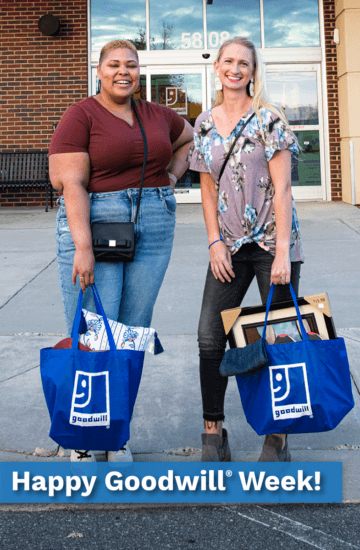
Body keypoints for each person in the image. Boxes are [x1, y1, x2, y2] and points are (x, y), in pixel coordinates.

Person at [49, 39, 193, 463]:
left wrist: (171, 176)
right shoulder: (81, 115)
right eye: (113, 64)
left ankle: (116, 432)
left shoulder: (157, 114)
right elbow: (71, 183)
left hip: (153, 222)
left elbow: (189, 138)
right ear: (99, 70)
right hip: (96, 223)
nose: (122, 71)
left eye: (130, 64)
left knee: (131, 334)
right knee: (96, 331)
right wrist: (82, 247)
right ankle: (82, 435)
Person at [188, 36, 304, 462]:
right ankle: (213, 434)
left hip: (273, 245)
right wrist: (214, 242)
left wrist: (281, 254)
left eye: (244, 63)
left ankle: (278, 436)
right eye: (229, 61)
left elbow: (284, 188)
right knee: (209, 337)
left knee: (277, 338)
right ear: (217, 67)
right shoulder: (203, 123)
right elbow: (206, 192)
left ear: (253, 71)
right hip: (229, 247)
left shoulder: (268, 118)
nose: (235, 69)